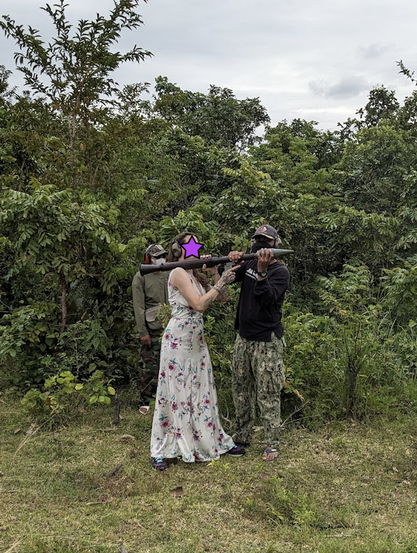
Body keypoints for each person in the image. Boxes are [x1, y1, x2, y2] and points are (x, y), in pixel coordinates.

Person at [150, 232, 245, 471]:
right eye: (189, 242)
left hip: (197, 342)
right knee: (176, 393)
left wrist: (215, 272)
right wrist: (224, 280)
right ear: (178, 248)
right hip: (178, 343)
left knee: (201, 392)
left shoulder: (196, 274)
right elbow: (200, 305)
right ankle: (163, 448)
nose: (195, 246)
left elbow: (222, 298)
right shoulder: (179, 273)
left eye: (196, 242)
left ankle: (209, 440)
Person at [228, 225, 290, 462]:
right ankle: (242, 435)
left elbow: (266, 299)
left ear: (275, 244)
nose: (261, 246)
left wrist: (263, 271)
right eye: (258, 241)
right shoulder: (250, 262)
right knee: (241, 389)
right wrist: (231, 261)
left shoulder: (280, 272)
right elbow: (230, 277)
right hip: (243, 338)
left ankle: (271, 442)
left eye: (267, 241)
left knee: (268, 392)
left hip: (267, 340)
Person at [132, 244, 169, 405]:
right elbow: (138, 307)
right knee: (149, 366)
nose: (161, 259)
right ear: (148, 259)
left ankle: (165, 399)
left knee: (168, 364)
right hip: (152, 328)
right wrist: (143, 332)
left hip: (170, 326)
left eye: (163, 255)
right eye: (157, 257)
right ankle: (145, 400)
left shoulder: (169, 273)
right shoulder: (140, 277)